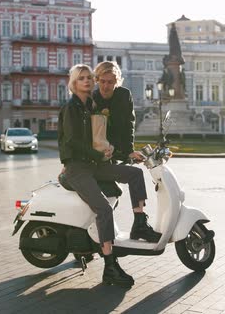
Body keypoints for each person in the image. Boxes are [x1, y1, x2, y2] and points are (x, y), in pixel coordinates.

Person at [58, 64, 158, 287]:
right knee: (103, 208)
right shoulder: (71, 108)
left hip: (95, 163)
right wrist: (82, 158)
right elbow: (71, 142)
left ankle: (140, 223)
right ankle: (110, 266)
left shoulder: (89, 106)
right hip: (79, 168)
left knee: (134, 175)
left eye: (88, 78)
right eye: (81, 78)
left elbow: (104, 133)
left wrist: (113, 151)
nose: (88, 81)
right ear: (74, 83)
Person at [92, 61, 161, 243]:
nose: (107, 86)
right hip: (97, 158)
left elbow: (129, 125)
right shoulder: (91, 100)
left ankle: (137, 224)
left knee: (119, 188)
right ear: (97, 80)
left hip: (114, 153)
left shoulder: (124, 95)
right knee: (134, 176)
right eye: (103, 81)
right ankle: (139, 226)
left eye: (111, 81)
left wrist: (129, 151)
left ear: (117, 81)